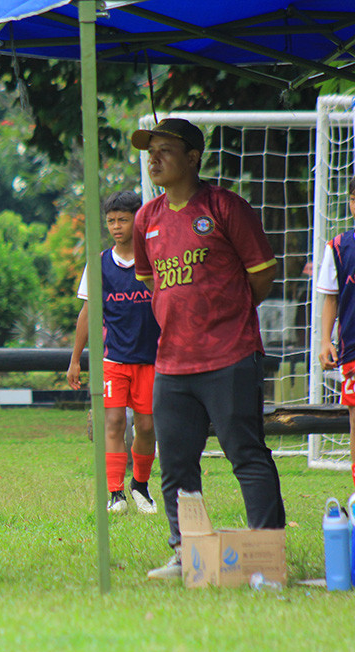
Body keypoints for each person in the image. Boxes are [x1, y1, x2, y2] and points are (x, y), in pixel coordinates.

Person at [130, 118, 286, 580]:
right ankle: (187, 554)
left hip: (230, 356)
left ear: (194, 157)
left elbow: (261, 273)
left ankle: (267, 558)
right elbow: (149, 281)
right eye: (150, 150)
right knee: (176, 464)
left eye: (164, 150)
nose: (153, 158)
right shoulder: (146, 219)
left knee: (246, 454)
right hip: (172, 363)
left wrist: (229, 312)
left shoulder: (225, 207)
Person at [67, 191, 160, 514]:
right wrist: (75, 359)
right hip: (114, 360)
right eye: (111, 221)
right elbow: (87, 313)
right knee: (114, 423)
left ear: (138, 219)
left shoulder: (155, 259)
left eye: (123, 219)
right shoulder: (100, 264)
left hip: (151, 360)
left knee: (147, 427)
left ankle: (141, 486)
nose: (117, 227)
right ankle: (115, 493)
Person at [315, 176, 355, 489]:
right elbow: (331, 297)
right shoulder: (339, 247)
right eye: (354, 199)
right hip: (352, 350)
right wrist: (325, 340)